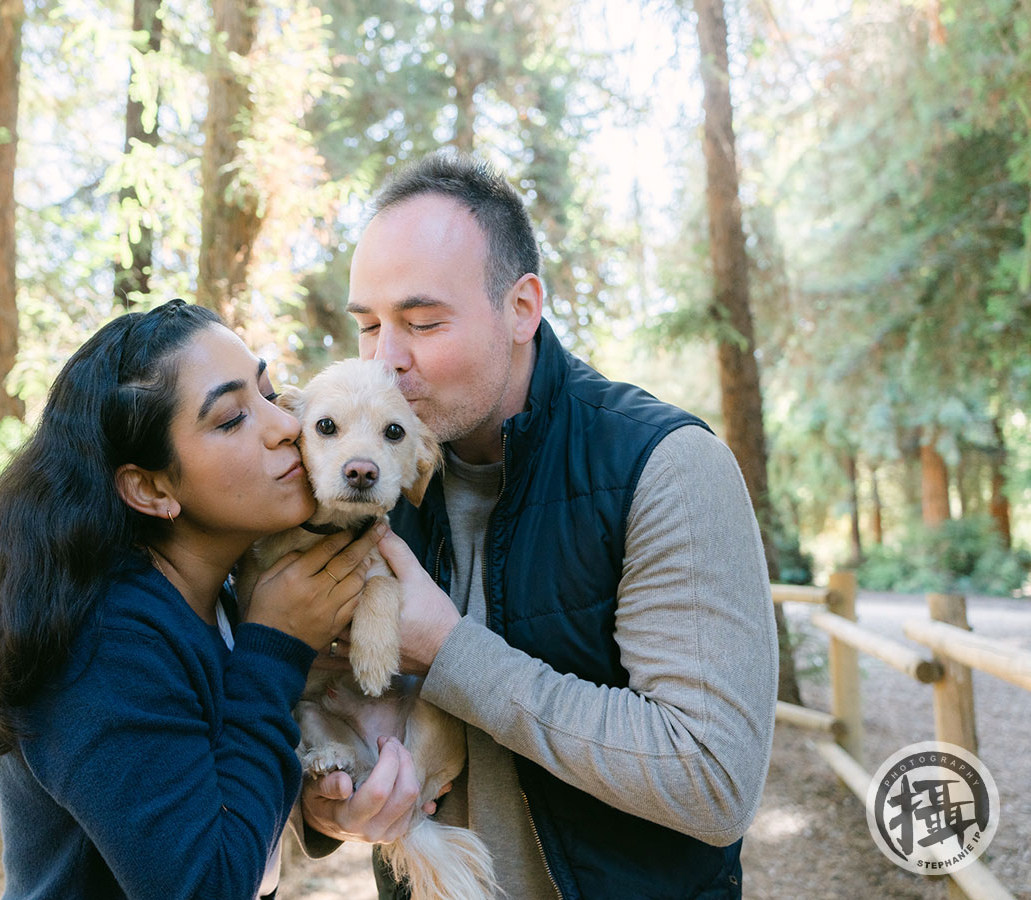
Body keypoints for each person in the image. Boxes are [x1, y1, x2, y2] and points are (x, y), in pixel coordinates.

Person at [297, 152, 779, 898]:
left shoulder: (666, 467)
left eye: (422, 322)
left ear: (522, 308)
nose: (386, 362)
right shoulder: (375, 479)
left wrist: (450, 650)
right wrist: (327, 809)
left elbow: (713, 781)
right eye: (367, 325)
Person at [0, 298, 390, 900]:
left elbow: (223, 799)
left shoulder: (221, 599)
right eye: (232, 418)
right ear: (151, 488)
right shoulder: (105, 645)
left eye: (268, 391)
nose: (285, 424)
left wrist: (317, 803)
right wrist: (277, 649)